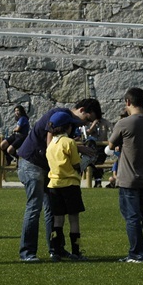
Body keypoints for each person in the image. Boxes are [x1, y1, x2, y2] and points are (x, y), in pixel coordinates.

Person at [16, 98, 102, 262]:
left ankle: (56, 250)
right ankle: (27, 253)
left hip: (47, 168)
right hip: (32, 163)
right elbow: (51, 145)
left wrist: (77, 147)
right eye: (88, 119)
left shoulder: (69, 121)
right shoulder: (59, 115)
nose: (86, 123)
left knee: (54, 211)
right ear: (82, 110)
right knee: (34, 207)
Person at [108, 87, 143, 264]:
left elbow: (111, 144)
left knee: (132, 217)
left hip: (129, 177)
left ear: (128, 102)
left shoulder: (124, 123)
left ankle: (136, 253)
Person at [46, 112, 87, 261]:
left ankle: (56, 250)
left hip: (54, 186)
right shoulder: (69, 142)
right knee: (74, 219)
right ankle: (76, 251)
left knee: (58, 220)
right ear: (67, 127)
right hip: (70, 184)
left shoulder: (51, 144)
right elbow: (76, 164)